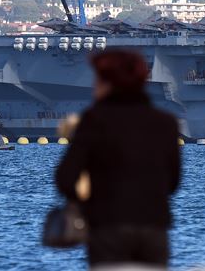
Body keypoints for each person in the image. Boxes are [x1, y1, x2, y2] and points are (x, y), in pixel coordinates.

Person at [55, 50, 181, 269]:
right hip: (154, 229)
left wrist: (90, 203)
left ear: (107, 83)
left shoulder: (93, 121)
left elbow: (65, 178)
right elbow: (173, 182)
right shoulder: (166, 122)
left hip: (108, 228)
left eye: (98, 79)